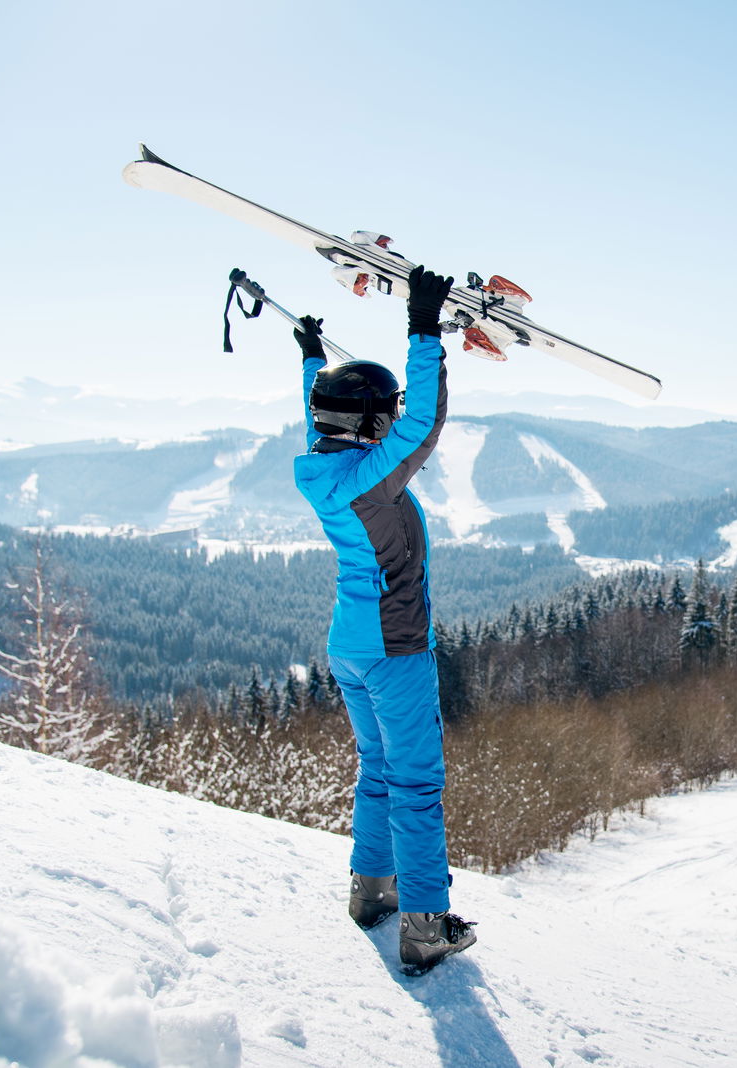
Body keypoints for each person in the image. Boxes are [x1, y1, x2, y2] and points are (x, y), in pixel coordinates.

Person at [292, 266, 476, 975]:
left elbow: (320, 412)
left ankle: (372, 892)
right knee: (417, 782)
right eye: (382, 415)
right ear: (370, 425)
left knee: (378, 768)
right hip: (397, 651)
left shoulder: (324, 466)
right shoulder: (374, 478)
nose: (391, 422)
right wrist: (422, 329)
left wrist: (314, 358)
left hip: (350, 647)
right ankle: (425, 926)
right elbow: (422, 425)